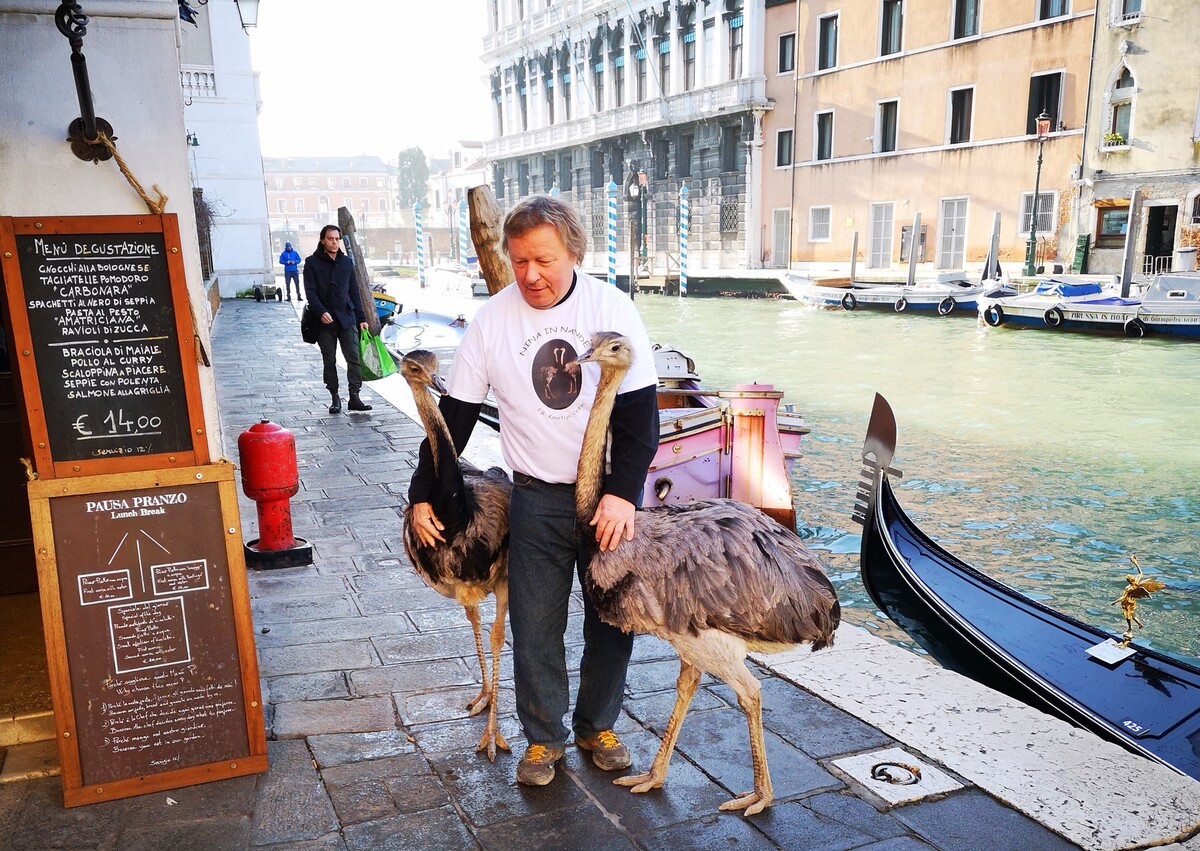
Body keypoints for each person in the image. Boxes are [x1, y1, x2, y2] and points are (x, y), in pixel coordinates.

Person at [407, 195, 658, 787]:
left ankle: (597, 725)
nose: (530, 276)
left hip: (606, 501)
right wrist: (422, 490)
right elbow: (456, 418)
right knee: (534, 622)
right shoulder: (492, 321)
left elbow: (640, 418)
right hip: (535, 496)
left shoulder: (611, 307)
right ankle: (544, 738)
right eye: (518, 261)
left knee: (612, 619)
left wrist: (623, 493)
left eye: (543, 260)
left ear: (574, 251)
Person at [303, 225, 372, 414]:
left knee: (354, 358)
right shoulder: (311, 263)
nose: (334, 242)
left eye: (336, 239)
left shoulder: (347, 262)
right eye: (330, 239)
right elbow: (310, 292)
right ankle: (334, 397)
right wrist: (320, 311)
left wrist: (362, 317)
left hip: (347, 318)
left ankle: (355, 396)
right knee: (329, 360)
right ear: (322, 240)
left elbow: (354, 291)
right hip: (325, 320)